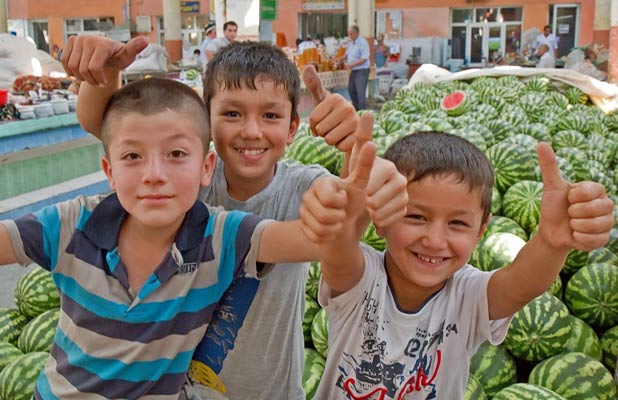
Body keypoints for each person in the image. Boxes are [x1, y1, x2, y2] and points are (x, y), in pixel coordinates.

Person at [61, 35, 408, 400]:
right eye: (232, 113)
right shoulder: (188, 186)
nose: (251, 131)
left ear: (292, 128)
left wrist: (373, 167)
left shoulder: (304, 189)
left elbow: (351, 209)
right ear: (205, 124)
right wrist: (105, 72)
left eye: (270, 115)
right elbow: (105, 125)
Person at [0, 77, 328, 399]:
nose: (154, 175)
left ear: (206, 167)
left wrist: (356, 175)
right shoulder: (70, 224)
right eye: (132, 157)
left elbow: (318, 239)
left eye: (175, 154)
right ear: (109, 171)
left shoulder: (220, 238)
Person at [299, 128, 615, 399]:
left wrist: (551, 241)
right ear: (381, 219)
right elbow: (339, 249)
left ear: (481, 230)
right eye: (416, 217)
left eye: (458, 224)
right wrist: (345, 216)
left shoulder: (468, 296)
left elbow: (521, 285)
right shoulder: (361, 281)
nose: (436, 240)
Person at [336, 25, 370, 111]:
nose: (349, 36)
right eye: (349, 34)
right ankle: (356, 109)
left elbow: (364, 58)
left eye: (351, 34)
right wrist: (338, 59)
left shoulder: (363, 43)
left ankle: (362, 112)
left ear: (356, 33)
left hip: (362, 70)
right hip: (354, 70)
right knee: (351, 89)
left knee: (360, 92)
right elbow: (347, 55)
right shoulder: (351, 43)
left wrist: (352, 65)